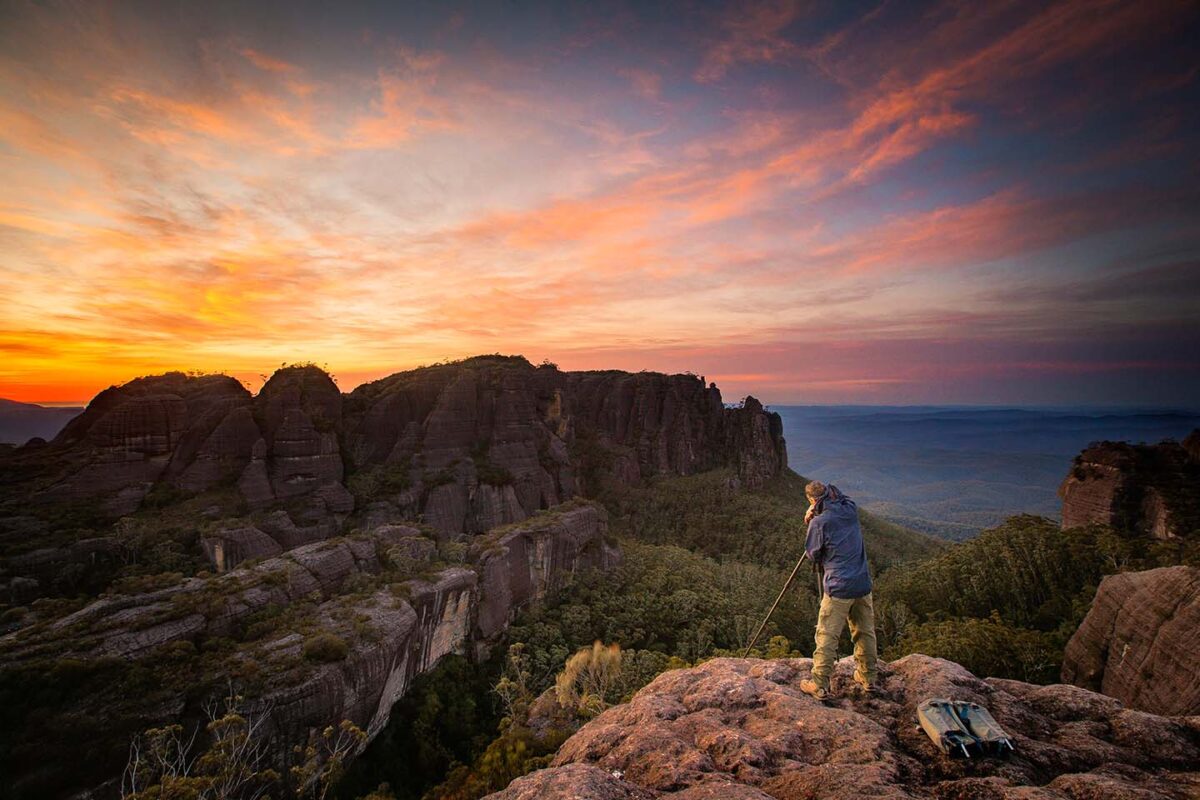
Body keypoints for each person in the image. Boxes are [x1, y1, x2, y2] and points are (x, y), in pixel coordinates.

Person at [798, 480, 879, 699]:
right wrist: (823, 502)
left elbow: (813, 554)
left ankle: (820, 685)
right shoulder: (850, 510)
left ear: (811, 500)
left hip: (838, 586)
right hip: (862, 583)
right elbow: (841, 498)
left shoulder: (819, 523)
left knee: (827, 635)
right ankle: (869, 678)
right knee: (865, 632)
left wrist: (812, 518)